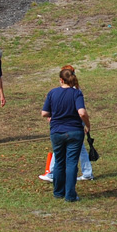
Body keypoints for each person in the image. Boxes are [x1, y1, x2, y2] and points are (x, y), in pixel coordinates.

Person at [41, 67, 89, 202]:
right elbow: (82, 113)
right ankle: (70, 195)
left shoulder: (52, 93)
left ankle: (58, 192)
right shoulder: (76, 93)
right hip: (74, 131)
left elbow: (44, 113)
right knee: (72, 163)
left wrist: (53, 115)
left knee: (59, 162)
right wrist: (88, 125)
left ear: (61, 80)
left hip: (57, 132)